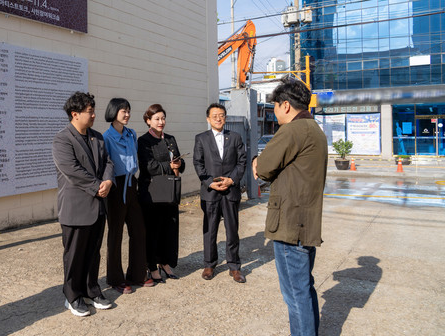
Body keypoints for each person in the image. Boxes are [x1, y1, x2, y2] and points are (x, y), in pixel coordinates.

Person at [252, 76, 328, 336]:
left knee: (295, 297)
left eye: (274, 106)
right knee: (305, 289)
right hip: (305, 223)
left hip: (289, 224)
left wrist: (256, 163)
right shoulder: (314, 129)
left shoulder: (292, 130)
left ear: (285, 106)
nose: (274, 112)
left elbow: (262, 168)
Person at [52, 91, 115, 317]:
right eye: (90, 112)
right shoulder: (62, 139)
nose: (94, 115)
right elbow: (71, 170)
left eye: (93, 110)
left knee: (93, 252)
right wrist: (97, 185)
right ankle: (72, 296)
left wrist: (108, 180)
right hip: (75, 207)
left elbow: (108, 161)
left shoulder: (97, 137)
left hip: (98, 206)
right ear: (75, 114)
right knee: (74, 254)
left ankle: (91, 290)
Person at [102, 98, 153, 294]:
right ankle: (115, 278)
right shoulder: (106, 137)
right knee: (115, 234)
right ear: (113, 112)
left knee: (138, 230)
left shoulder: (131, 134)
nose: (127, 114)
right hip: (116, 187)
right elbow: (106, 165)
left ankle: (137, 274)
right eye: (123, 110)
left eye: (129, 110)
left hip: (133, 184)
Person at [193, 103, 247, 283]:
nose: (218, 118)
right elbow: (198, 164)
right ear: (208, 119)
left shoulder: (235, 137)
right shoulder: (201, 138)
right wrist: (210, 183)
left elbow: (242, 162)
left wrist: (231, 180)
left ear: (226, 118)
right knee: (210, 230)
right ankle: (209, 264)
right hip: (211, 192)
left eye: (221, 115)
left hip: (230, 191)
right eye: (214, 115)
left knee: (232, 230)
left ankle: (234, 266)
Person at [137, 104, 185, 283]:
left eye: (163, 118)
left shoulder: (170, 139)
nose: (161, 122)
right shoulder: (143, 141)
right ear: (148, 121)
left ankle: (165, 263)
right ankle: (151, 266)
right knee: (153, 230)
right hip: (152, 193)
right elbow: (147, 166)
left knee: (169, 229)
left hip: (169, 192)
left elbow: (178, 161)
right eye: (156, 119)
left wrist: (179, 164)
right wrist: (169, 166)